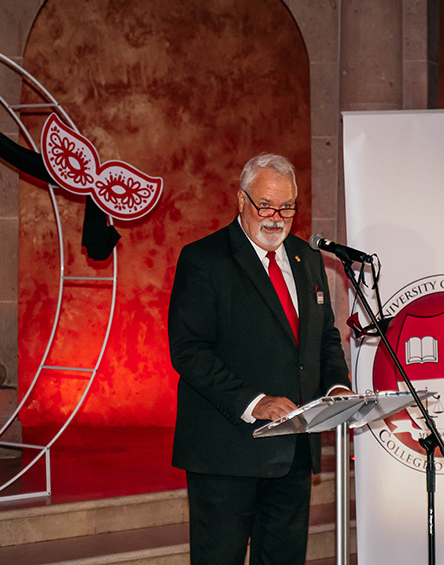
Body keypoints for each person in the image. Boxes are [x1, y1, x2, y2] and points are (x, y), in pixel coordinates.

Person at [168, 153, 353, 564]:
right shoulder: (204, 259)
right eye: (265, 205)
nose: (277, 217)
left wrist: (337, 386)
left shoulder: (306, 259)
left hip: (293, 453)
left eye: (287, 206)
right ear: (240, 200)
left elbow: (323, 337)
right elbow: (189, 350)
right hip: (226, 452)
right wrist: (255, 403)